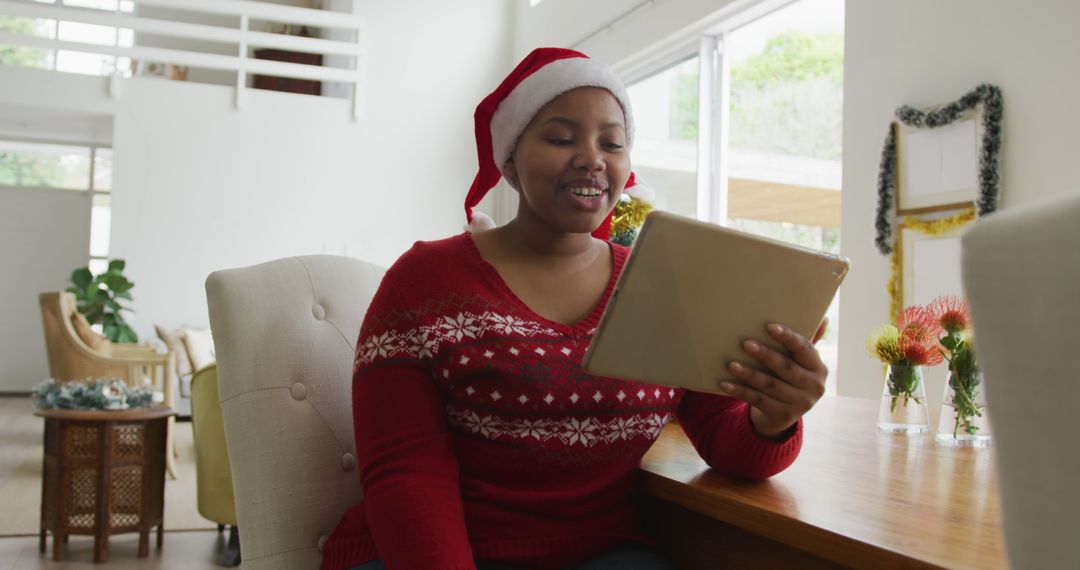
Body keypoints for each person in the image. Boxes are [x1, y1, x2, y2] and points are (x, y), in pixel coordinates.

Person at [320, 47, 829, 570]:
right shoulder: (423, 283)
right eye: (561, 138)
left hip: (599, 553)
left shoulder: (664, 286)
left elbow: (725, 440)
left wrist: (775, 417)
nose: (593, 158)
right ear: (511, 161)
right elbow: (406, 475)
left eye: (612, 143)